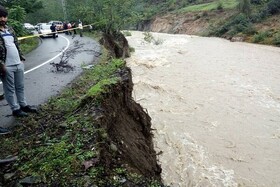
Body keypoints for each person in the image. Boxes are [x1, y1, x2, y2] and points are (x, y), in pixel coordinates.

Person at [0, 5, 37, 117]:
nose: (2, 19)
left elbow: (16, 44)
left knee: (20, 86)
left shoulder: (10, 29)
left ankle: (23, 105)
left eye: (4, 16)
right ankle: (15, 109)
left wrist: (21, 58)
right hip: (5, 65)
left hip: (18, 63)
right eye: (0, 17)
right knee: (9, 89)